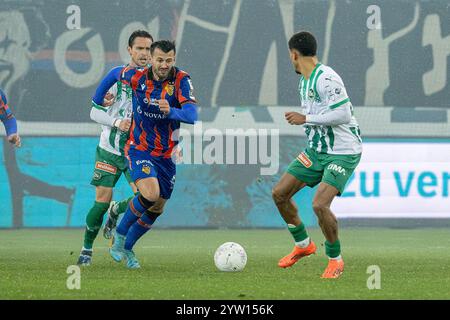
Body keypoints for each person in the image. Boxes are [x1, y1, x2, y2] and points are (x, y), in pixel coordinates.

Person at [91, 40, 198, 269]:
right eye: (159, 60)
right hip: (139, 148)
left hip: (166, 154)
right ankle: (118, 238)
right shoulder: (136, 76)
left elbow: (191, 115)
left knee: (158, 207)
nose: (164, 65)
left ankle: (128, 247)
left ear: (174, 59)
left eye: (169, 60)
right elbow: (114, 74)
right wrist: (98, 99)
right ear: (151, 58)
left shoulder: (182, 80)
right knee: (150, 194)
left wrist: (172, 111)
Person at [272, 31, 362, 279]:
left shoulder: (327, 78)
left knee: (320, 204)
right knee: (279, 194)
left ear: (293, 54)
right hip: (317, 151)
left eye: (289, 56)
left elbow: (343, 114)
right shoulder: (304, 80)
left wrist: (305, 118)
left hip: (342, 152)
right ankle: (303, 245)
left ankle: (335, 259)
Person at [76, 30, 154, 266]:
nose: (144, 53)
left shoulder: (154, 81)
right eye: (139, 48)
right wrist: (116, 121)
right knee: (100, 202)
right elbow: (93, 109)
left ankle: (116, 211)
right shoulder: (115, 76)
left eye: (148, 49)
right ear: (129, 50)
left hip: (136, 151)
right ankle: (86, 250)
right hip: (109, 150)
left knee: (147, 198)